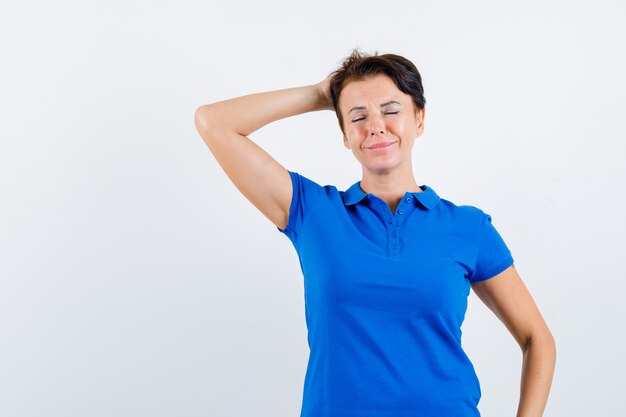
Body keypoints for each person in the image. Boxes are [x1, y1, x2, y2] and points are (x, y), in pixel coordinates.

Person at [194, 49, 556, 417]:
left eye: (391, 110)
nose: (375, 125)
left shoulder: (469, 227)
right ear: (345, 135)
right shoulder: (312, 211)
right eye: (358, 116)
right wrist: (322, 94)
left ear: (420, 119)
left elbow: (537, 339)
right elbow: (213, 122)